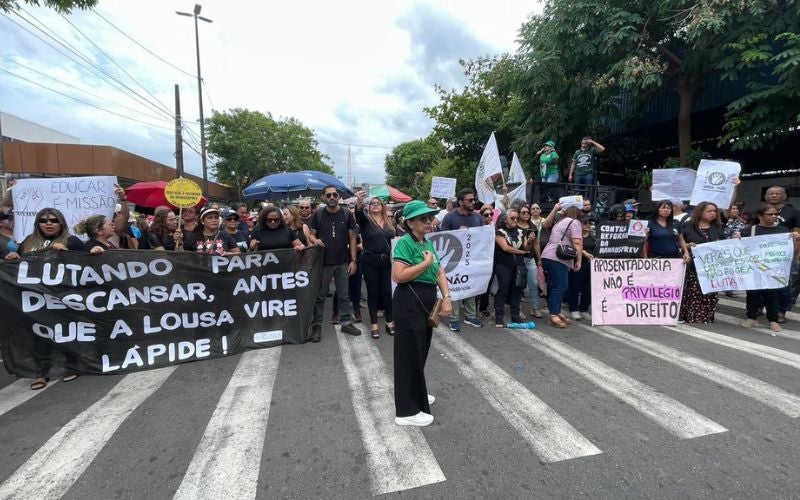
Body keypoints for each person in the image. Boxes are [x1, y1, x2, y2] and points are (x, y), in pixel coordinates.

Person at [4, 207, 83, 389]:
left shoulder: (71, 241)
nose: (48, 224)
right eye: (44, 220)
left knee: (66, 331)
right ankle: (41, 372)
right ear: (37, 223)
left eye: (54, 220)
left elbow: (88, 261)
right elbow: (20, 267)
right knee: (38, 334)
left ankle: (71, 365)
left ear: (61, 223)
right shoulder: (27, 243)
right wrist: (12, 259)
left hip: (62, 297)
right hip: (35, 298)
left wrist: (69, 254)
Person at [391, 200, 453, 427]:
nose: (428, 222)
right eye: (422, 219)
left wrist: (446, 297)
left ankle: (415, 392)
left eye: (429, 218)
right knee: (408, 353)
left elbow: (439, 270)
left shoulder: (426, 242)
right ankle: (406, 411)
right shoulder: (405, 243)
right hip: (409, 299)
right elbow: (399, 275)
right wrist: (425, 263)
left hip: (426, 298)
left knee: (420, 349)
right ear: (409, 223)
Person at [308, 186, 361, 341]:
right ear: (324, 197)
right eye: (328, 195)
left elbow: (352, 238)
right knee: (320, 296)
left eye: (334, 194)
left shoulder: (347, 213)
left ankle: (346, 323)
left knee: (344, 295)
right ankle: (316, 326)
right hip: (323, 262)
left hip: (342, 261)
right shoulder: (318, 214)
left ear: (338, 197)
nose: (332, 197)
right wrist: (315, 240)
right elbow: (311, 235)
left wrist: (353, 260)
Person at [740, 204, 795, 332]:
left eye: (775, 214)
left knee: (773, 294)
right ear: (760, 216)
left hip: (774, 269)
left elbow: (787, 249)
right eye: (770, 214)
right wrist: (737, 239)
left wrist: (794, 237)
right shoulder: (750, 230)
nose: (774, 216)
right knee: (753, 293)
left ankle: (773, 320)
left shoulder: (782, 231)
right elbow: (740, 247)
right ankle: (751, 317)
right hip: (754, 268)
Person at [439, 188, 483, 331]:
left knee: (471, 286)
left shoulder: (477, 218)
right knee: (455, 287)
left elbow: (482, 238)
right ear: (460, 202)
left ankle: (471, 316)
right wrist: (457, 232)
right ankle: (454, 318)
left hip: (472, 258)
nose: (473, 202)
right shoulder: (450, 218)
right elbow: (442, 236)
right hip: (454, 259)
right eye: (469, 200)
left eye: (473, 199)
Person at [355, 191, 397, 338]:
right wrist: (359, 202)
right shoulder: (366, 221)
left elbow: (395, 241)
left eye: (378, 203)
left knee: (387, 292)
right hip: (370, 261)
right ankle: (374, 324)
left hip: (386, 261)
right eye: (372, 203)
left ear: (383, 206)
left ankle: (389, 322)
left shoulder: (389, 223)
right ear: (369, 207)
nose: (375, 205)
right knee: (372, 293)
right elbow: (358, 214)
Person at [679, 201, 725, 324]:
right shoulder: (688, 226)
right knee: (693, 291)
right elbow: (679, 241)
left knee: (709, 292)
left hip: (712, 267)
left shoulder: (717, 228)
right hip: (693, 266)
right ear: (700, 212)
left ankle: (706, 316)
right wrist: (688, 246)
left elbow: (724, 244)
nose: (712, 213)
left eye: (714, 211)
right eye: (709, 211)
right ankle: (690, 315)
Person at [540, 205, 583, 328]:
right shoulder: (574, 222)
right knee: (561, 286)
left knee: (556, 286)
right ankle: (553, 314)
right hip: (558, 258)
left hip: (548, 255)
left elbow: (546, 225)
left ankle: (556, 311)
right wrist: (578, 260)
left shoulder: (560, 221)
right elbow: (577, 242)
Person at [764, 186, 800, 323]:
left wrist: (795, 253)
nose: (774, 195)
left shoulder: (792, 211)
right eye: (771, 193)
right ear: (766, 196)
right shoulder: (760, 210)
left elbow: (797, 233)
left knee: (784, 283)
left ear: (784, 196)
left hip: (784, 254)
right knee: (763, 280)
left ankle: (781, 311)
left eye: (777, 193)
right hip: (763, 253)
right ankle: (759, 308)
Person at [493, 209, 530, 326]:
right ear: (505, 219)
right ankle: (499, 317)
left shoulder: (521, 232)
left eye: (516, 218)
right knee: (503, 290)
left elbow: (526, 248)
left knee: (517, 290)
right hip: (503, 264)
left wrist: (530, 241)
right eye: (512, 218)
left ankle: (515, 316)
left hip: (518, 265)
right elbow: (505, 248)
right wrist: (522, 252)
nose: (515, 220)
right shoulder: (499, 232)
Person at [515, 204, 542, 318]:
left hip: (530, 259)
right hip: (518, 258)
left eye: (527, 212)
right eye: (523, 212)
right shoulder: (515, 227)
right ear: (519, 214)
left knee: (534, 283)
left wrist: (539, 259)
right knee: (518, 285)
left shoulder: (533, 227)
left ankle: (534, 308)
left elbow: (536, 244)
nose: (526, 214)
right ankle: (517, 309)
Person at [567, 215, 595, 320]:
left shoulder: (593, 236)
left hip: (591, 265)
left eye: (590, 223)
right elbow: (574, 246)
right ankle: (574, 309)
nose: (588, 225)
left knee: (588, 288)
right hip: (578, 263)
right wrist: (584, 253)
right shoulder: (576, 235)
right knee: (575, 286)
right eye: (585, 223)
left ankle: (584, 309)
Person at [477, 205, 497, 319]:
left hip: (491, 260)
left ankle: (483, 307)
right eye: (486, 215)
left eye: (491, 214)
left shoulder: (495, 227)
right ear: (481, 216)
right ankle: (471, 306)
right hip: (479, 260)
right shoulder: (477, 228)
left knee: (487, 285)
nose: (489, 216)